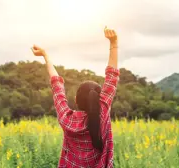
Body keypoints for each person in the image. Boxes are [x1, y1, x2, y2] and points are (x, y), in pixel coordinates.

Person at [31, 26, 120, 168]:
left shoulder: (66, 118)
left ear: (77, 101)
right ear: (98, 99)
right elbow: (112, 76)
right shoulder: (103, 112)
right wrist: (113, 43)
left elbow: (57, 86)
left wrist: (46, 56)